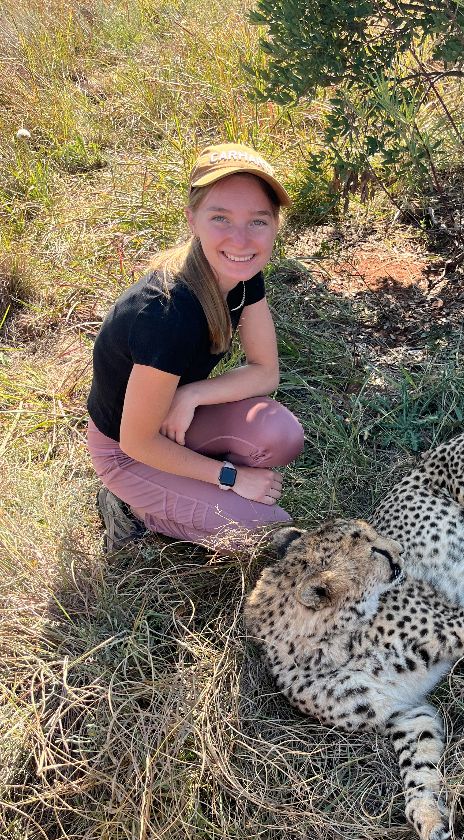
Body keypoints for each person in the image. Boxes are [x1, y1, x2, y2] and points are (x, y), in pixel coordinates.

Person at [86, 142, 305, 553]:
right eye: (220, 218)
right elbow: (137, 442)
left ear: (275, 224)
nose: (240, 239)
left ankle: (186, 488)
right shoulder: (167, 314)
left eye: (258, 221)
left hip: (170, 418)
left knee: (281, 436)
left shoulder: (240, 272)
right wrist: (231, 477)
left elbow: (265, 371)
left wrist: (192, 394)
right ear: (193, 219)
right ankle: (131, 507)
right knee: (265, 529)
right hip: (125, 450)